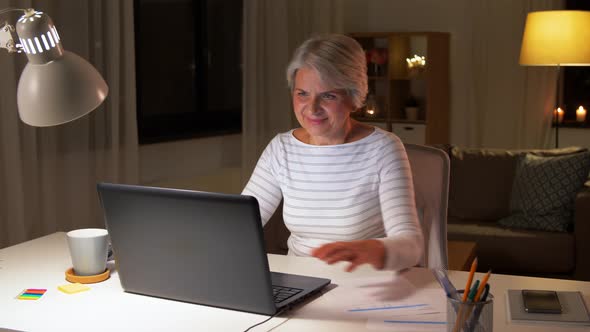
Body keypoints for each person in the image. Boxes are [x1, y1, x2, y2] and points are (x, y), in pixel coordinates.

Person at [242, 34, 423, 272]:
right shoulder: (281, 148)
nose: (313, 108)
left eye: (328, 95)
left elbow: (411, 245)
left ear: (354, 97)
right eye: (302, 94)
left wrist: (378, 250)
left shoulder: (383, 149)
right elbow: (242, 223)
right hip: (299, 281)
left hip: (362, 286)